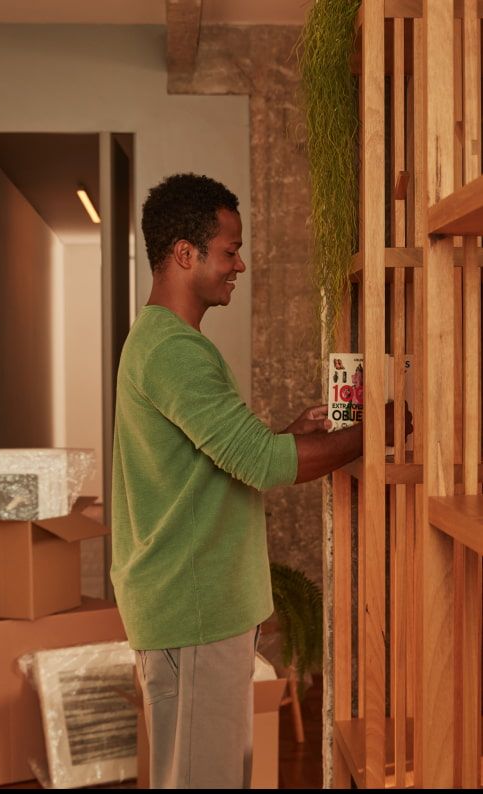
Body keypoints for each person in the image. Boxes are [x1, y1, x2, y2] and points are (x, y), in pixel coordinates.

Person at [110, 173, 412, 789]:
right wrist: (382, 428)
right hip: (192, 613)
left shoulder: (172, 345)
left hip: (199, 611)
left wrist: (286, 432)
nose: (240, 264)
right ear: (184, 254)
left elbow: (220, 457)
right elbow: (262, 464)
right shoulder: (173, 352)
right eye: (229, 250)